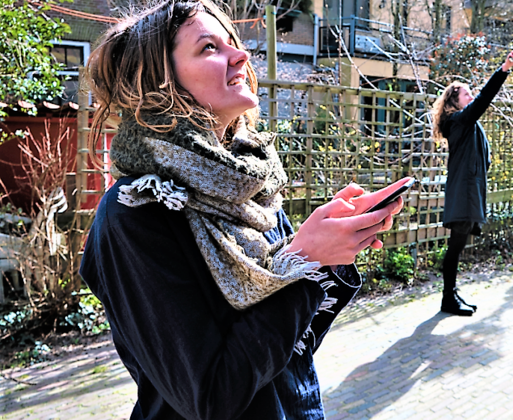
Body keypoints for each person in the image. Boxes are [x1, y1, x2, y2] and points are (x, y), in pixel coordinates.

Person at [79, 1, 409, 418]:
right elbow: (212, 397)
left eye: (233, 42)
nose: (241, 55)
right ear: (161, 84)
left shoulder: (251, 182)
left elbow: (291, 349)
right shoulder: (134, 212)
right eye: (209, 48)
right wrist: (303, 259)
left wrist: (326, 251)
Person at [431, 46, 513, 316]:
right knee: (455, 245)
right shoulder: (459, 120)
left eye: (471, 93)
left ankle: (451, 294)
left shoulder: (465, 122)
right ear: (454, 101)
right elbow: (485, 98)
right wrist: (504, 68)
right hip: (464, 192)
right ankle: (447, 298)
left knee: (458, 245)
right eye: (466, 94)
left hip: (469, 190)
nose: (471, 97)